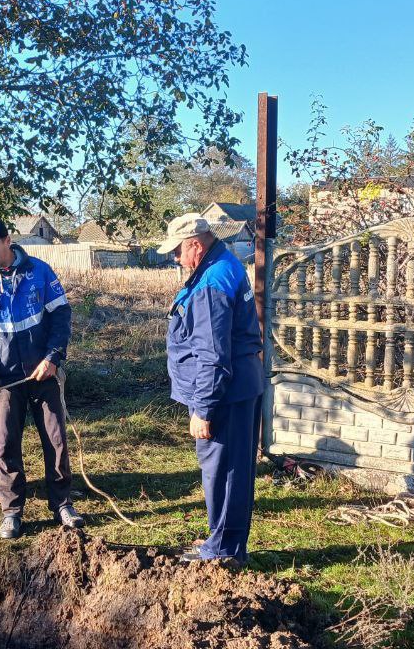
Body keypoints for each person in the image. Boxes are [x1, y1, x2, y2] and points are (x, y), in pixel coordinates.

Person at [0, 216, 84, 539]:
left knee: (56, 439)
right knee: (5, 443)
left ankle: (62, 503)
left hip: (42, 373)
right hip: (4, 380)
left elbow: (61, 315)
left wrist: (53, 357)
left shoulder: (39, 272)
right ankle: (12, 511)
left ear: (7, 241)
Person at [159, 213, 264, 566]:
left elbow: (212, 354)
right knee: (232, 471)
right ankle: (226, 543)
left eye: (177, 251)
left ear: (195, 244)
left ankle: (223, 552)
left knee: (224, 474)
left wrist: (203, 408)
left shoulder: (211, 283)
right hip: (237, 386)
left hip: (225, 393)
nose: (175, 258)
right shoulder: (222, 265)